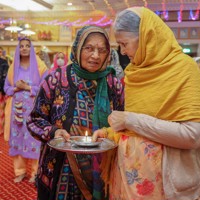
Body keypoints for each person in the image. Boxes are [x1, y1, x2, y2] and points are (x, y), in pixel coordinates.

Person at [93, 7, 200, 200]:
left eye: (125, 44)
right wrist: (110, 134)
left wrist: (129, 120)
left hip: (167, 186)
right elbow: (138, 129)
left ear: (146, 37)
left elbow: (192, 136)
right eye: (120, 46)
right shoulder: (136, 72)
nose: (123, 52)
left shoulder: (184, 69)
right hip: (128, 179)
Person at [26, 25, 124, 200]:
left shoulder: (113, 84)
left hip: (102, 170)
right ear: (78, 48)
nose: (95, 55)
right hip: (61, 166)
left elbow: (124, 123)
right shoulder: (55, 79)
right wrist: (54, 132)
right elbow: (34, 120)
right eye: (89, 48)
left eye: (102, 50)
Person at [4, 38, 48, 183]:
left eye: (27, 46)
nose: (24, 48)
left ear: (31, 48)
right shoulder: (13, 68)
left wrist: (28, 88)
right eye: (21, 46)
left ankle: (36, 173)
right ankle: (20, 171)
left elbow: (45, 87)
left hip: (33, 111)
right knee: (17, 139)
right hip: (16, 112)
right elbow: (6, 88)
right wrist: (16, 88)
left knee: (34, 139)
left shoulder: (40, 66)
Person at [0, 57, 9, 135]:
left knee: (1, 111)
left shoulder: (4, 62)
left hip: (1, 90)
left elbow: (5, 78)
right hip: (1, 89)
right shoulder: (4, 62)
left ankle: (1, 129)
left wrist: (4, 91)